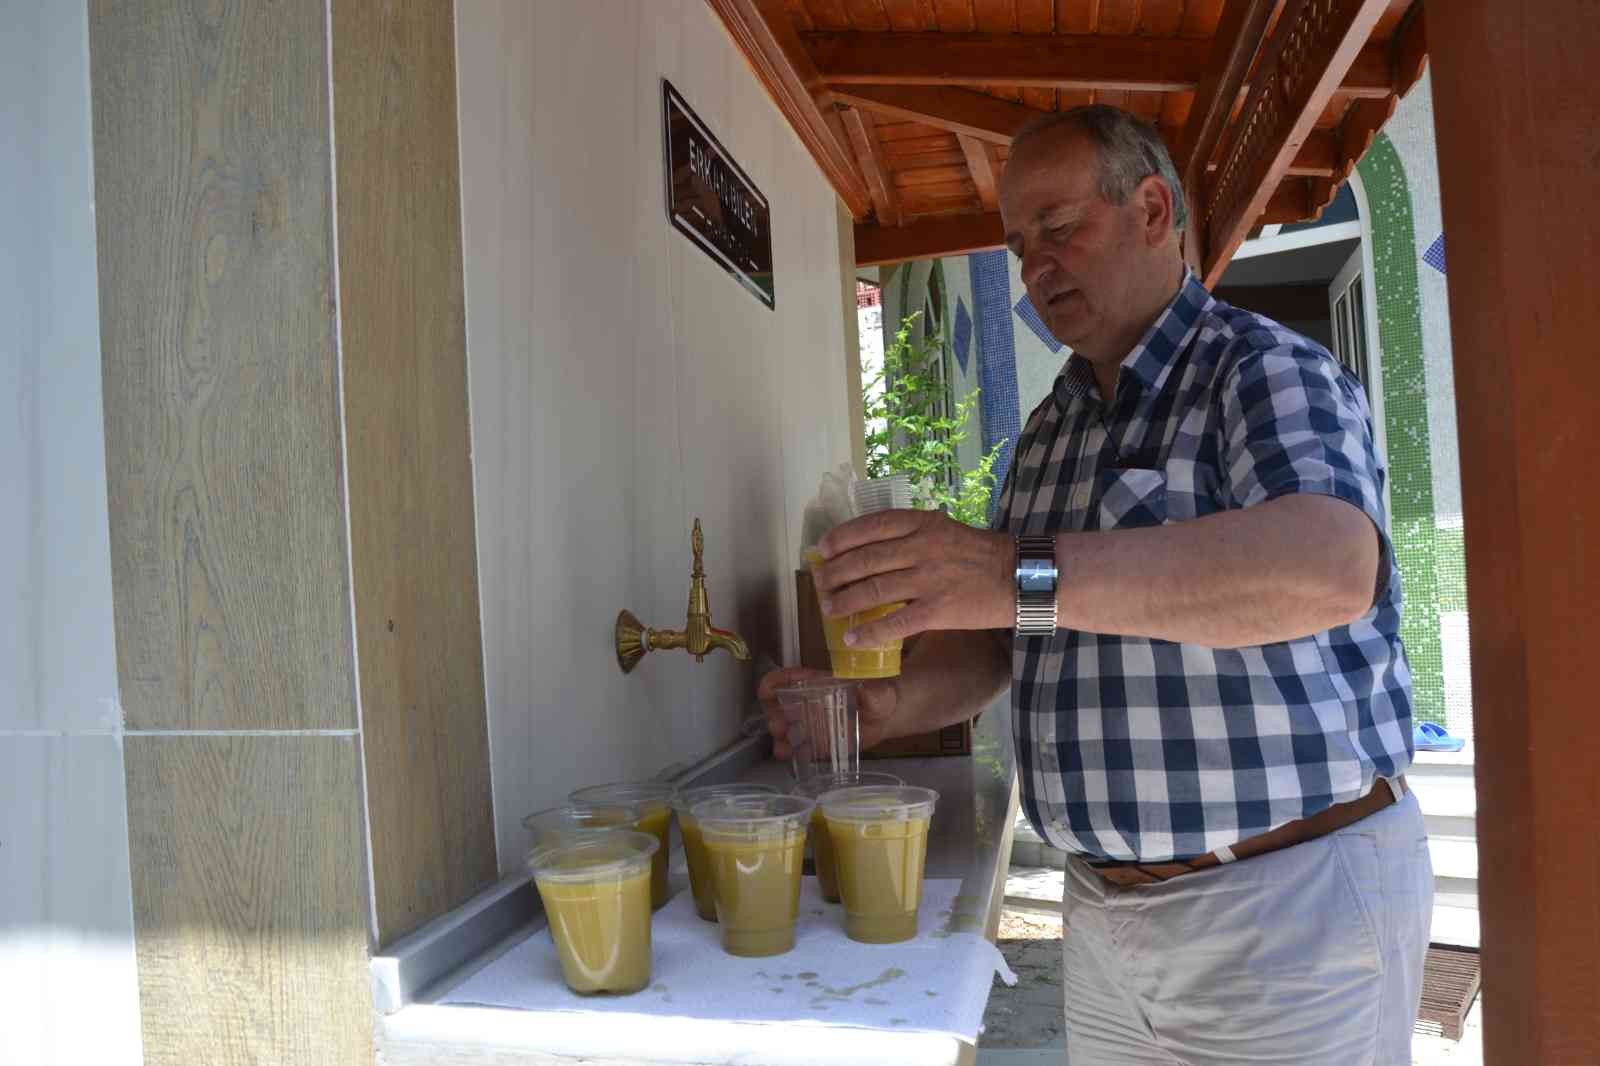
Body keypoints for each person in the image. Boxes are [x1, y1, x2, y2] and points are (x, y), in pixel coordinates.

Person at [761, 106, 1431, 1065]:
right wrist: (889, 707)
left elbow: (1326, 570)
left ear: (1153, 209)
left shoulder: (1263, 370)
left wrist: (1007, 569)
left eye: (1059, 227)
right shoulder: (1052, 427)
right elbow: (1007, 636)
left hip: (1287, 904)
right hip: (1107, 907)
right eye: (1019, 244)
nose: (1034, 267)